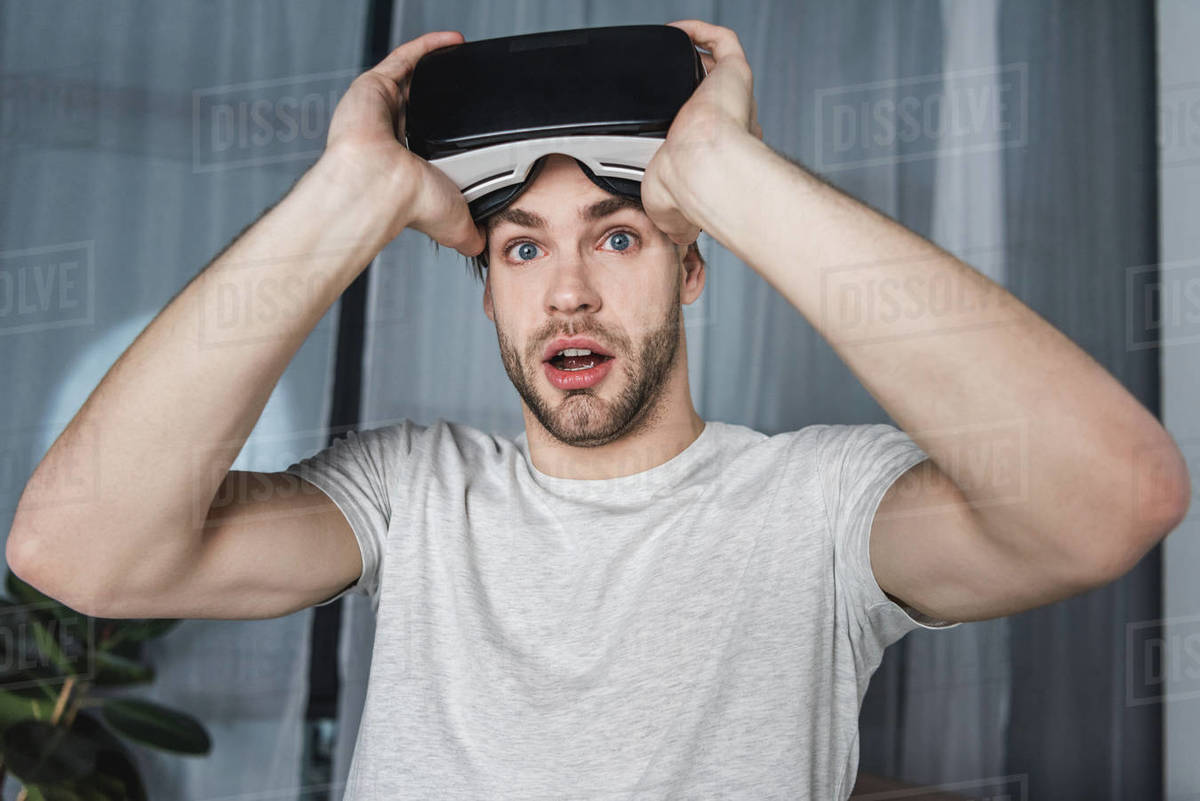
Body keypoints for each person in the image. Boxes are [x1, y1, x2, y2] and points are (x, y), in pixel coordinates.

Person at [8, 20, 1190, 801]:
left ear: (693, 268)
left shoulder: (820, 506)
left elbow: (1111, 501)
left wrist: (727, 173)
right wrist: (350, 191)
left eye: (618, 239)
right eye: (521, 249)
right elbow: (79, 553)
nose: (567, 290)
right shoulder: (409, 495)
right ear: (486, 293)